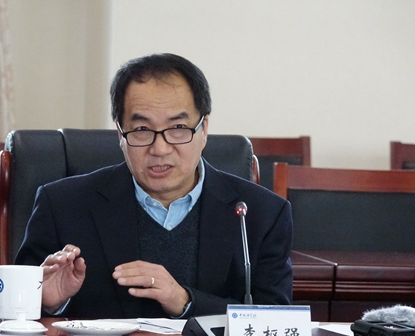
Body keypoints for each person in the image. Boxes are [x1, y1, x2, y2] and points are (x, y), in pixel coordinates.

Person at [16, 53, 293, 319]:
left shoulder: (262, 214)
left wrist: (185, 301)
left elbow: (276, 324)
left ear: (204, 128)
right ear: (120, 134)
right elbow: (14, 314)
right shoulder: (62, 206)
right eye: (142, 130)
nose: (160, 149)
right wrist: (47, 303)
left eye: (178, 128)